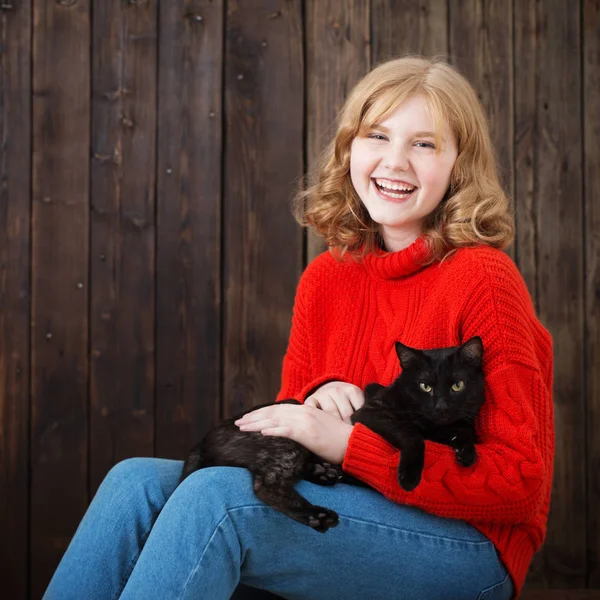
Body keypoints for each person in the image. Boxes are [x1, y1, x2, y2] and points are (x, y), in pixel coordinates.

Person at [44, 56, 553, 600]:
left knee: (220, 500)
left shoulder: (484, 280)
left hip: (467, 548)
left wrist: (351, 445)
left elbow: (519, 485)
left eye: (425, 144)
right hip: (360, 504)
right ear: (350, 148)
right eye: (377, 134)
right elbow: (285, 437)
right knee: (133, 483)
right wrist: (314, 399)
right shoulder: (326, 279)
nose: (395, 161)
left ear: (460, 164)